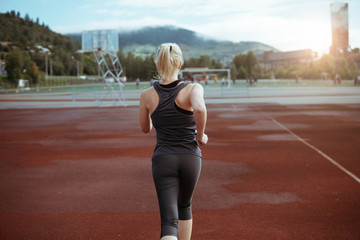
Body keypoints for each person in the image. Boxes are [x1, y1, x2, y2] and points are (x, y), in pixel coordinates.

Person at [139, 43, 208, 240]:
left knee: (169, 220)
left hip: (163, 159)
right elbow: (200, 109)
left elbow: (145, 129)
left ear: (157, 64)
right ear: (179, 63)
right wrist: (200, 135)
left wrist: (156, 113)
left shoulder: (146, 95)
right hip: (190, 157)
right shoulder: (193, 88)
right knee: (185, 205)